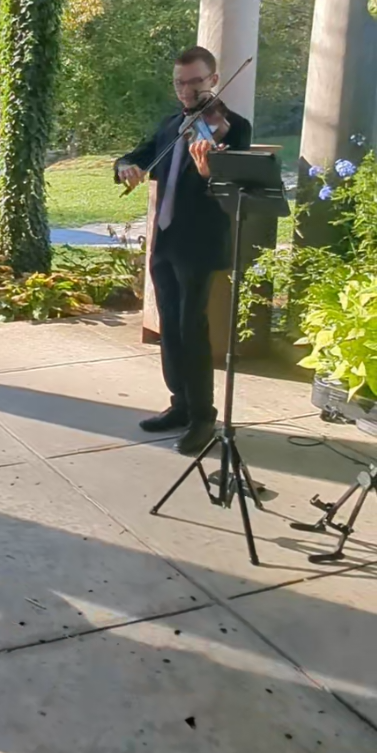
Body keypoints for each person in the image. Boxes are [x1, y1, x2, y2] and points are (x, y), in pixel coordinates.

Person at [114, 46, 252, 456]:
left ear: (213, 79)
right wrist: (126, 166)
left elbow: (236, 184)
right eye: (180, 82)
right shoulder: (171, 124)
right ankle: (180, 404)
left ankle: (203, 417)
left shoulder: (233, 127)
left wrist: (212, 170)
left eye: (195, 81)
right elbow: (134, 156)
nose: (187, 90)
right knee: (171, 330)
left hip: (200, 244)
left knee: (193, 328)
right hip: (166, 241)